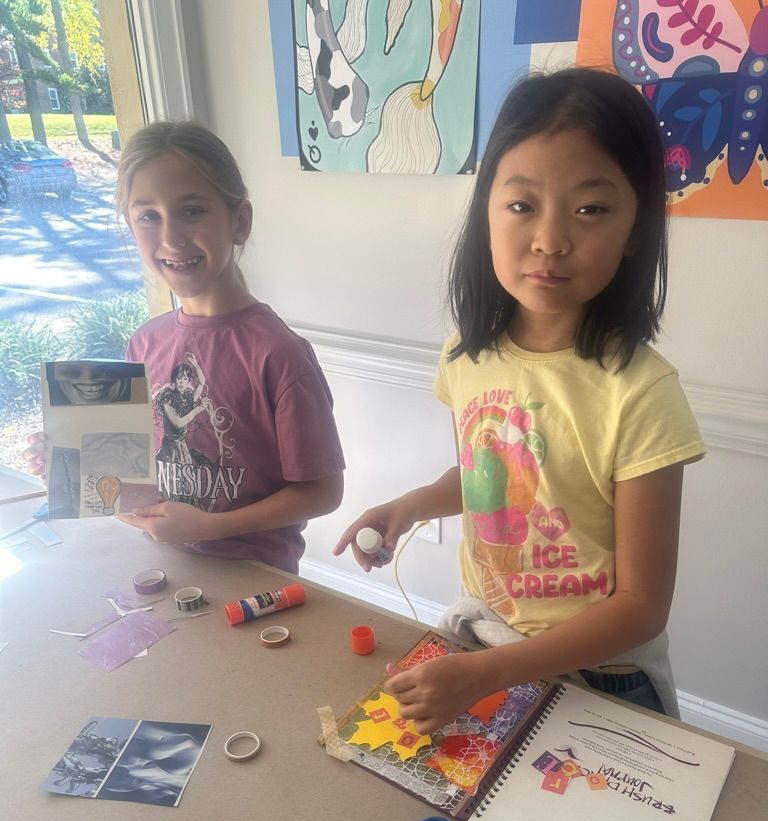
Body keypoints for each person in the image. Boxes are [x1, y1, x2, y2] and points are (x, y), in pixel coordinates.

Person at [335, 67, 705, 732]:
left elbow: (642, 606)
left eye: (590, 209)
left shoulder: (642, 394)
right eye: (522, 204)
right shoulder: (466, 355)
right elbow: (493, 480)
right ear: (486, 212)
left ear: (636, 231)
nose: (550, 239)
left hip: (603, 676)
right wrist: (412, 504)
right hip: (489, 634)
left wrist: (486, 672)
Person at [27, 121, 344, 573]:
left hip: (253, 578)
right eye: (149, 216)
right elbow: (123, 485)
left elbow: (323, 492)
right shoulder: (144, 341)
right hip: (159, 564)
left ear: (240, 221)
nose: (172, 237)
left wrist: (207, 528)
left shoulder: (279, 353)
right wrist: (69, 465)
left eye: (192, 211)